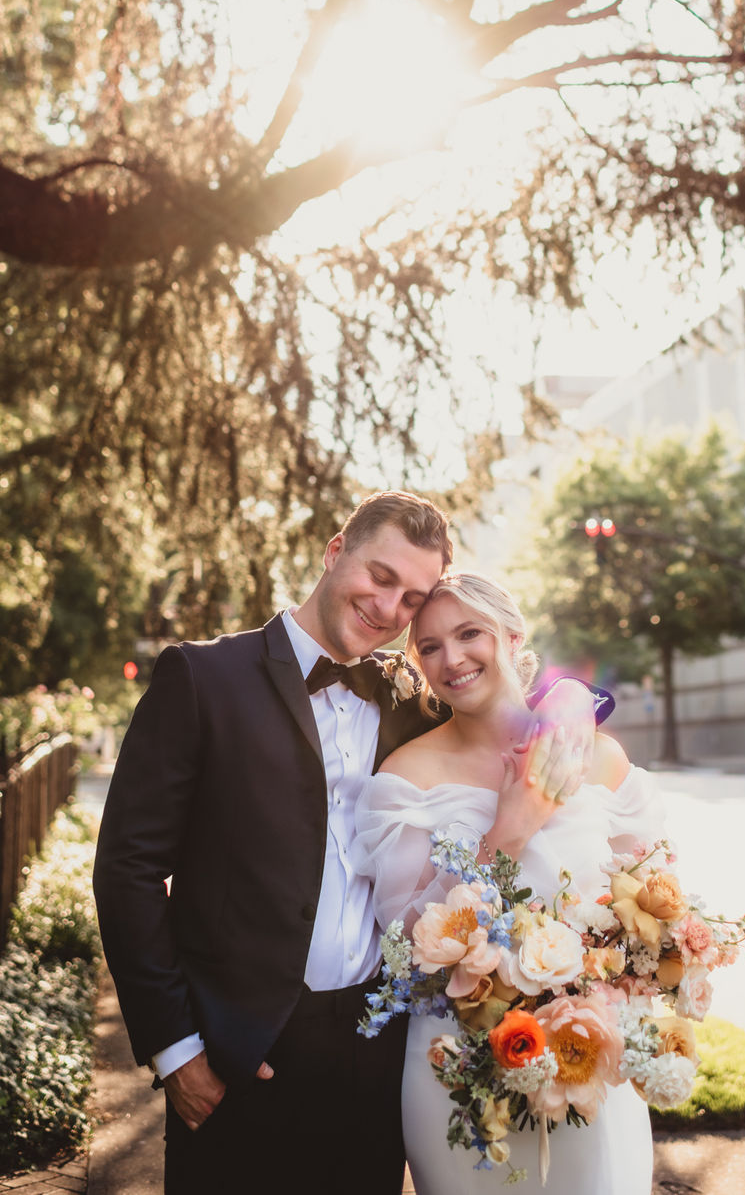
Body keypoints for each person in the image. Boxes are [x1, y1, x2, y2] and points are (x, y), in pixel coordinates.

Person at [92, 492, 608, 1195]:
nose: (390, 606)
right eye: (380, 575)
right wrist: (178, 1051)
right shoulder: (203, 678)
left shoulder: (408, 698)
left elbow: (499, 702)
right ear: (336, 550)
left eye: (412, 597)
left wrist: (574, 696)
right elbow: (127, 870)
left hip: (380, 1052)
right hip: (237, 1054)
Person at [354, 572, 664, 1194]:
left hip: (590, 1056)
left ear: (513, 636)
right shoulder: (406, 775)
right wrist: (510, 830)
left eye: (471, 634)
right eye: (431, 647)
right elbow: (411, 945)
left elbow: (653, 904)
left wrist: (619, 991)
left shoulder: (595, 755)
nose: (453, 659)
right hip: (457, 1066)